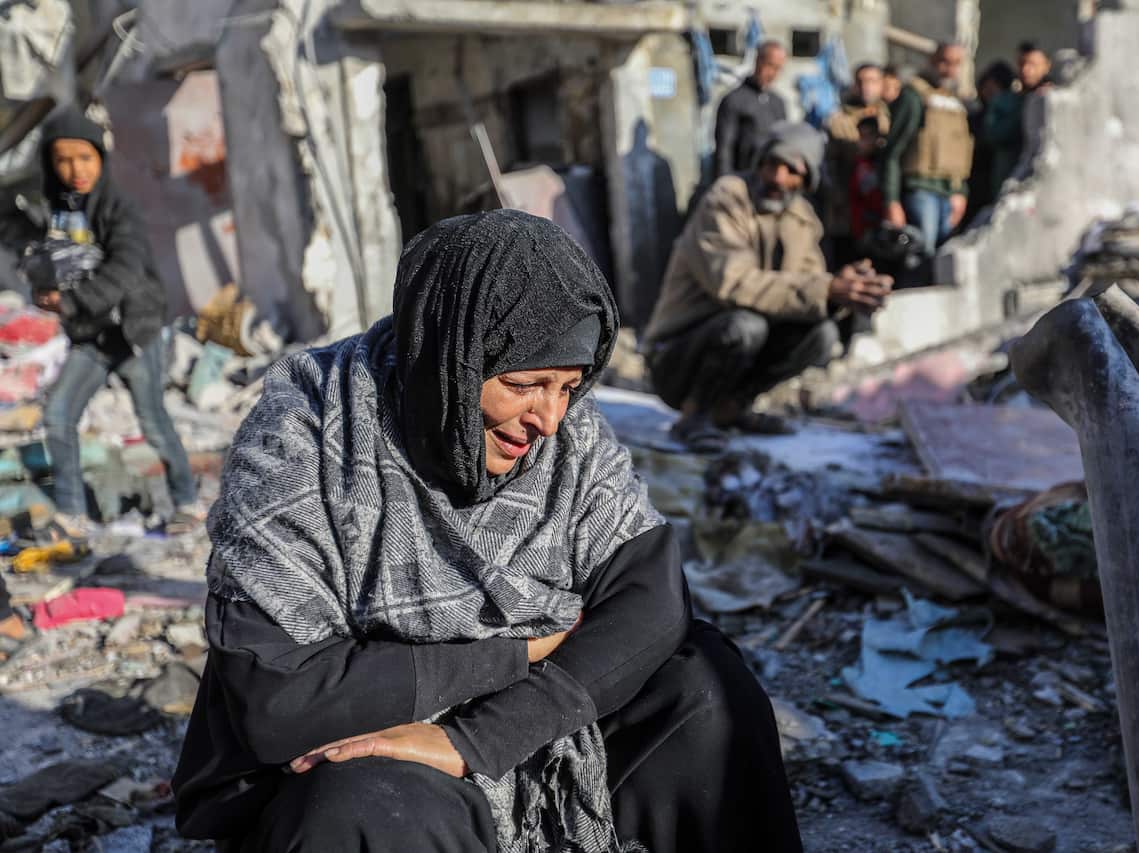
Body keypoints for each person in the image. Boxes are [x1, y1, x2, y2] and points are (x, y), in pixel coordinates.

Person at [172, 210, 803, 853]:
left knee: (706, 691)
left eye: (569, 386)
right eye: (525, 385)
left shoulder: (568, 438)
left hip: (524, 729)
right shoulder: (305, 439)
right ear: (449, 357)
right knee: (364, 808)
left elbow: (653, 600)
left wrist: (481, 737)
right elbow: (283, 700)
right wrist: (512, 654)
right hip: (375, 747)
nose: (550, 420)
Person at [0, 111, 200, 534]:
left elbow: (125, 269)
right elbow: (46, 260)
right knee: (58, 416)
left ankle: (187, 501)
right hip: (90, 338)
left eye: (85, 158)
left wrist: (71, 303)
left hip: (131, 335)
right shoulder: (55, 211)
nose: (76, 170)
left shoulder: (117, 207)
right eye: (64, 160)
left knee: (153, 423)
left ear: (101, 159)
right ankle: (71, 513)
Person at [644, 123, 891, 452]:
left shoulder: (802, 219)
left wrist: (843, 289)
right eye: (772, 164)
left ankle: (731, 407)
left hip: (737, 343)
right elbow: (733, 283)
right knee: (747, 326)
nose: (778, 177)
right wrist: (826, 288)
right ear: (759, 163)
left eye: (792, 170)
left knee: (822, 334)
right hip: (676, 358)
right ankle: (695, 415)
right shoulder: (727, 199)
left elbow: (808, 289)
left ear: (806, 181)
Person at [881, 43, 975, 256]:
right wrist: (892, 201)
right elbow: (893, 152)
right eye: (945, 62)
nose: (950, 70)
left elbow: (960, 150)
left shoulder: (955, 102)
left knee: (943, 258)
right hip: (921, 190)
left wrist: (961, 193)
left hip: (950, 193)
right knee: (921, 255)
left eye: (956, 64)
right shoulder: (914, 96)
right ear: (933, 61)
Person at [825, 63, 891, 266]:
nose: (866, 87)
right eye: (861, 81)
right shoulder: (839, 120)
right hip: (847, 208)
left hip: (881, 205)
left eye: (872, 81)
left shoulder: (891, 117)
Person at [713, 40, 788, 178]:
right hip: (741, 178)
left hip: (769, 183)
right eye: (770, 66)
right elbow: (724, 149)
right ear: (758, 61)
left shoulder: (778, 103)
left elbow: (782, 145)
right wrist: (725, 182)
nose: (773, 73)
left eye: (778, 68)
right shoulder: (734, 100)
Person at [969, 60, 1022, 217]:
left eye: (995, 87)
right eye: (987, 86)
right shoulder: (975, 118)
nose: (989, 91)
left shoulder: (1010, 113)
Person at [1011, 43, 1054, 182]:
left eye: (1033, 64)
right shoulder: (1010, 99)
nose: (1026, 70)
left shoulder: (1047, 98)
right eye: (1022, 64)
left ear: (1047, 66)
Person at [848, 116, 886, 249]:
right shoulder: (859, 165)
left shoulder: (882, 164)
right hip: (863, 232)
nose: (861, 142)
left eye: (867, 137)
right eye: (860, 137)